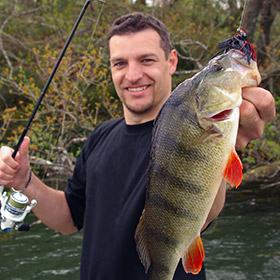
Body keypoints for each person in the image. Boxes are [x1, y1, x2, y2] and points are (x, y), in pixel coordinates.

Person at [0, 12, 276, 280]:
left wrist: (230, 141)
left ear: (172, 61)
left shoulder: (196, 129)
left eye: (146, 60)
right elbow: (69, 217)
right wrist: (25, 180)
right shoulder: (99, 136)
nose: (132, 75)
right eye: (120, 63)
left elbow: (202, 214)